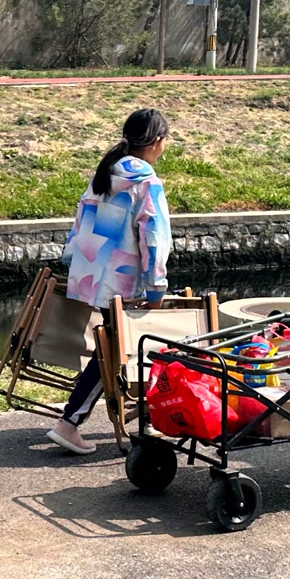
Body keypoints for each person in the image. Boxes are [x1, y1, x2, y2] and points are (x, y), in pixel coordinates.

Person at [44, 109, 172, 456]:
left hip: (91, 274)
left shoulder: (106, 172)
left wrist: (76, 268)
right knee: (115, 351)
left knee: (113, 348)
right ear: (157, 141)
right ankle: (70, 422)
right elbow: (155, 239)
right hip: (122, 282)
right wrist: (156, 286)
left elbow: (80, 223)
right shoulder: (146, 182)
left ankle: (136, 414)